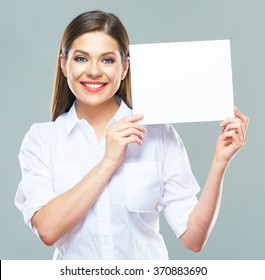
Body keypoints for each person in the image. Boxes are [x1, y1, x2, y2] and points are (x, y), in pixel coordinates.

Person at [15, 10, 248, 260]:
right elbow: (47, 230)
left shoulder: (158, 134)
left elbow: (193, 238)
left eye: (107, 60)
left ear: (125, 67)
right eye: (81, 59)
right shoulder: (42, 140)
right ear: (63, 63)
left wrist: (219, 163)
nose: (94, 71)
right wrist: (108, 162)